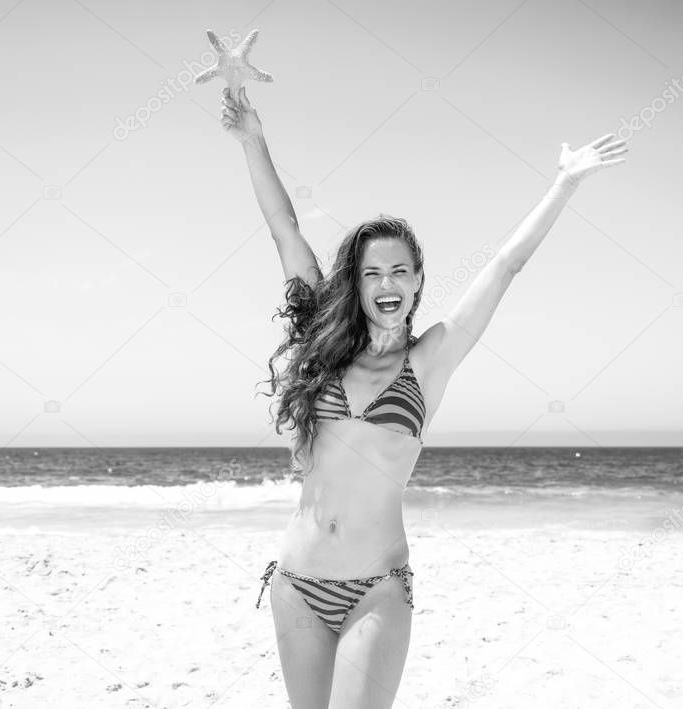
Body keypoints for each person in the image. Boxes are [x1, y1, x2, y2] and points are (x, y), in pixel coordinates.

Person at [220, 85, 626, 708]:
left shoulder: (428, 361)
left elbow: (505, 266)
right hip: (297, 582)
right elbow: (284, 229)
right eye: (371, 272)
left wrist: (564, 183)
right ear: (353, 285)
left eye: (400, 271)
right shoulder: (322, 344)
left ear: (417, 283)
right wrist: (253, 137)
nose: (386, 283)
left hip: (376, 588)